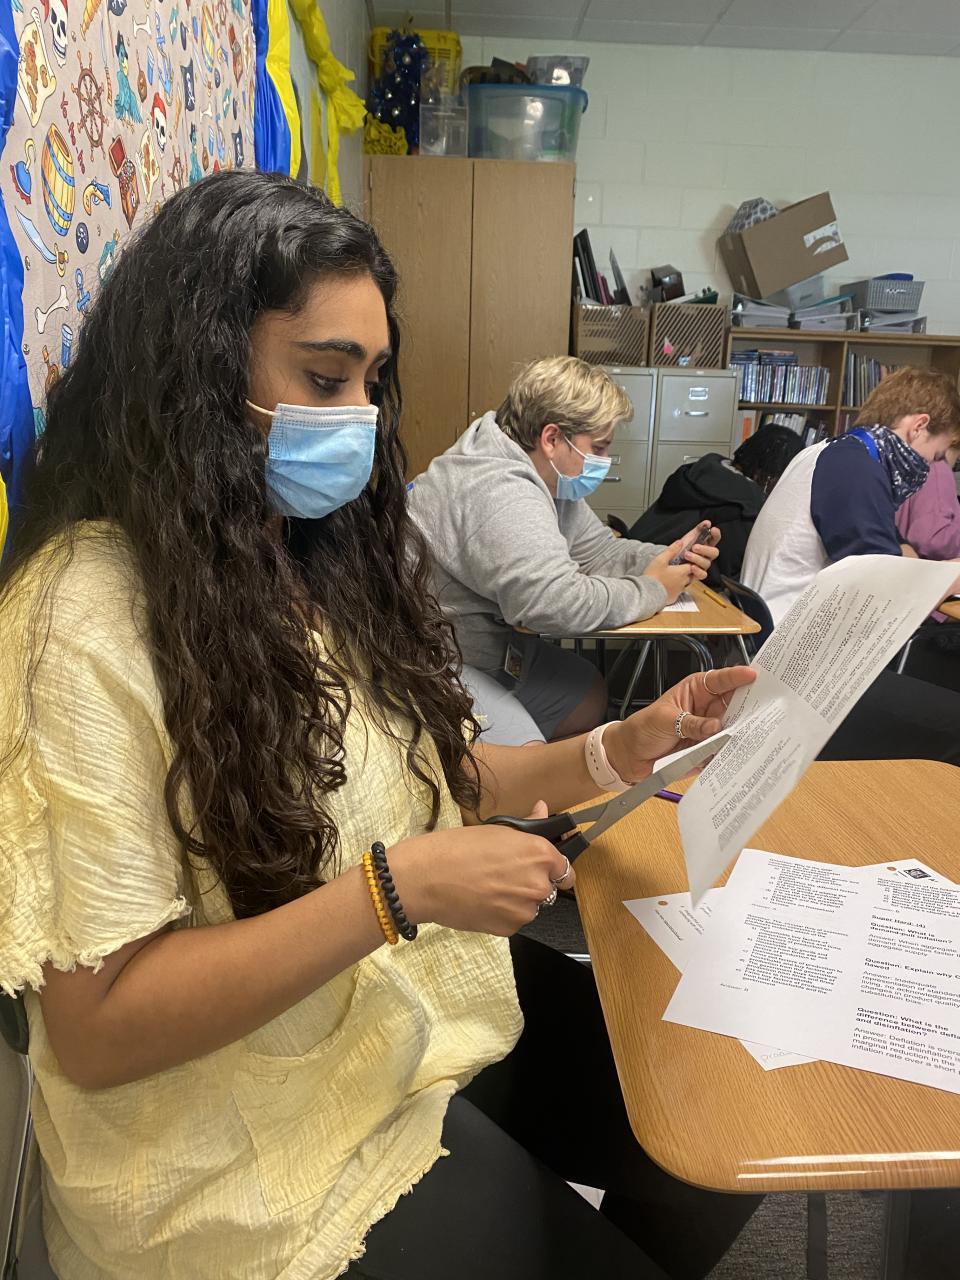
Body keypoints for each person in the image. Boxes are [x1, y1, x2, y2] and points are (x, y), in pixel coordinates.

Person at [0, 171, 758, 1280]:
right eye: (325, 376)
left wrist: (617, 748)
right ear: (196, 370)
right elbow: (99, 1026)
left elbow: (427, 769)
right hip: (240, 1152)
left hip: (393, 1014)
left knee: (716, 1108)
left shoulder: (299, 557)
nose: (358, 416)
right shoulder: (79, 620)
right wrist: (394, 891)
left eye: (371, 380)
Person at [408, 356, 719, 741]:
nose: (604, 461)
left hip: (480, 644)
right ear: (552, 439)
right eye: (598, 448)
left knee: (587, 693)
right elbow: (554, 604)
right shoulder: (501, 492)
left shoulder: (539, 471)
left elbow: (597, 552)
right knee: (535, 758)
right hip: (437, 664)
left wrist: (667, 558)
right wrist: (653, 589)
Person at [741, 367, 960, 763]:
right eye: (937, 455)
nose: (931, 468)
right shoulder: (855, 467)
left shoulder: (828, 453)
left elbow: (893, 552)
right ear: (918, 427)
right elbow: (888, 587)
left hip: (781, 650)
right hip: (800, 674)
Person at [627, 424, 804, 584]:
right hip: (662, 581)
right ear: (776, 475)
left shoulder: (701, 470)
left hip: (631, 561)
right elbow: (728, 578)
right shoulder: (745, 508)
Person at [894, 440, 960, 693]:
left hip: (910, 592)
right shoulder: (938, 469)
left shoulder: (911, 461)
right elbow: (931, 537)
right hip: (930, 603)